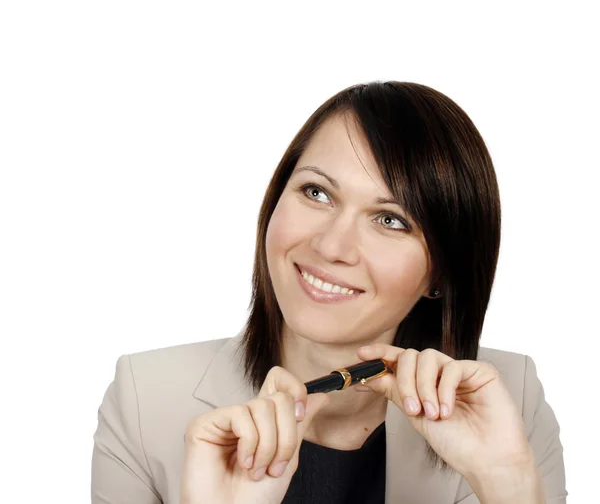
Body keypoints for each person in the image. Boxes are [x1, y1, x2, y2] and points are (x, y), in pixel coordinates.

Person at [91, 81, 567, 504]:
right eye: (317, 193)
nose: (331, 246)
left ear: (441, 274)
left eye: (391, 220)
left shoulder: (509, 398)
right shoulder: (145, 400)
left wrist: (507, 484)